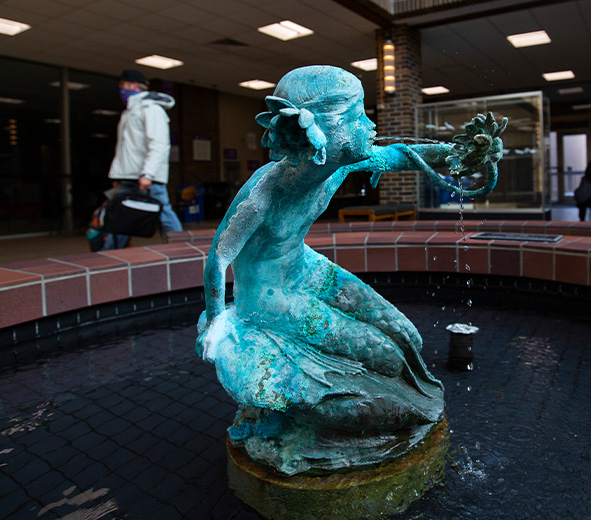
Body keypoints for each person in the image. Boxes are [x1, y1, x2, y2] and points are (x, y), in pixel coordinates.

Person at [196, 66, 504, 474]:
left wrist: (458, 154)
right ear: (320, 131)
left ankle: (390, 410)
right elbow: (218, 257)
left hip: (306, 269)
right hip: (272, 297)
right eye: (358, 115)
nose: (370, 123)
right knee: (384, 358)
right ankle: (316, 428)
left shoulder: (336, 165)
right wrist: (219, 325)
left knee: (404, 336)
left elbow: (400, 155)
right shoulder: (264, 193)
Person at [102, 70, 182, 249]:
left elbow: (159, 144)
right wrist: (118, 174)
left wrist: (148, 174)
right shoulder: (128, 113)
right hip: (128, 176)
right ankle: (113, 257)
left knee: (162, 213)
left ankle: (183, 248)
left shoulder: (151, 109)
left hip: (146, 177)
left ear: (134, 85)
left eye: (122, 85)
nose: (120, 90)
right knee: (122, 218)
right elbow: (126, 148)